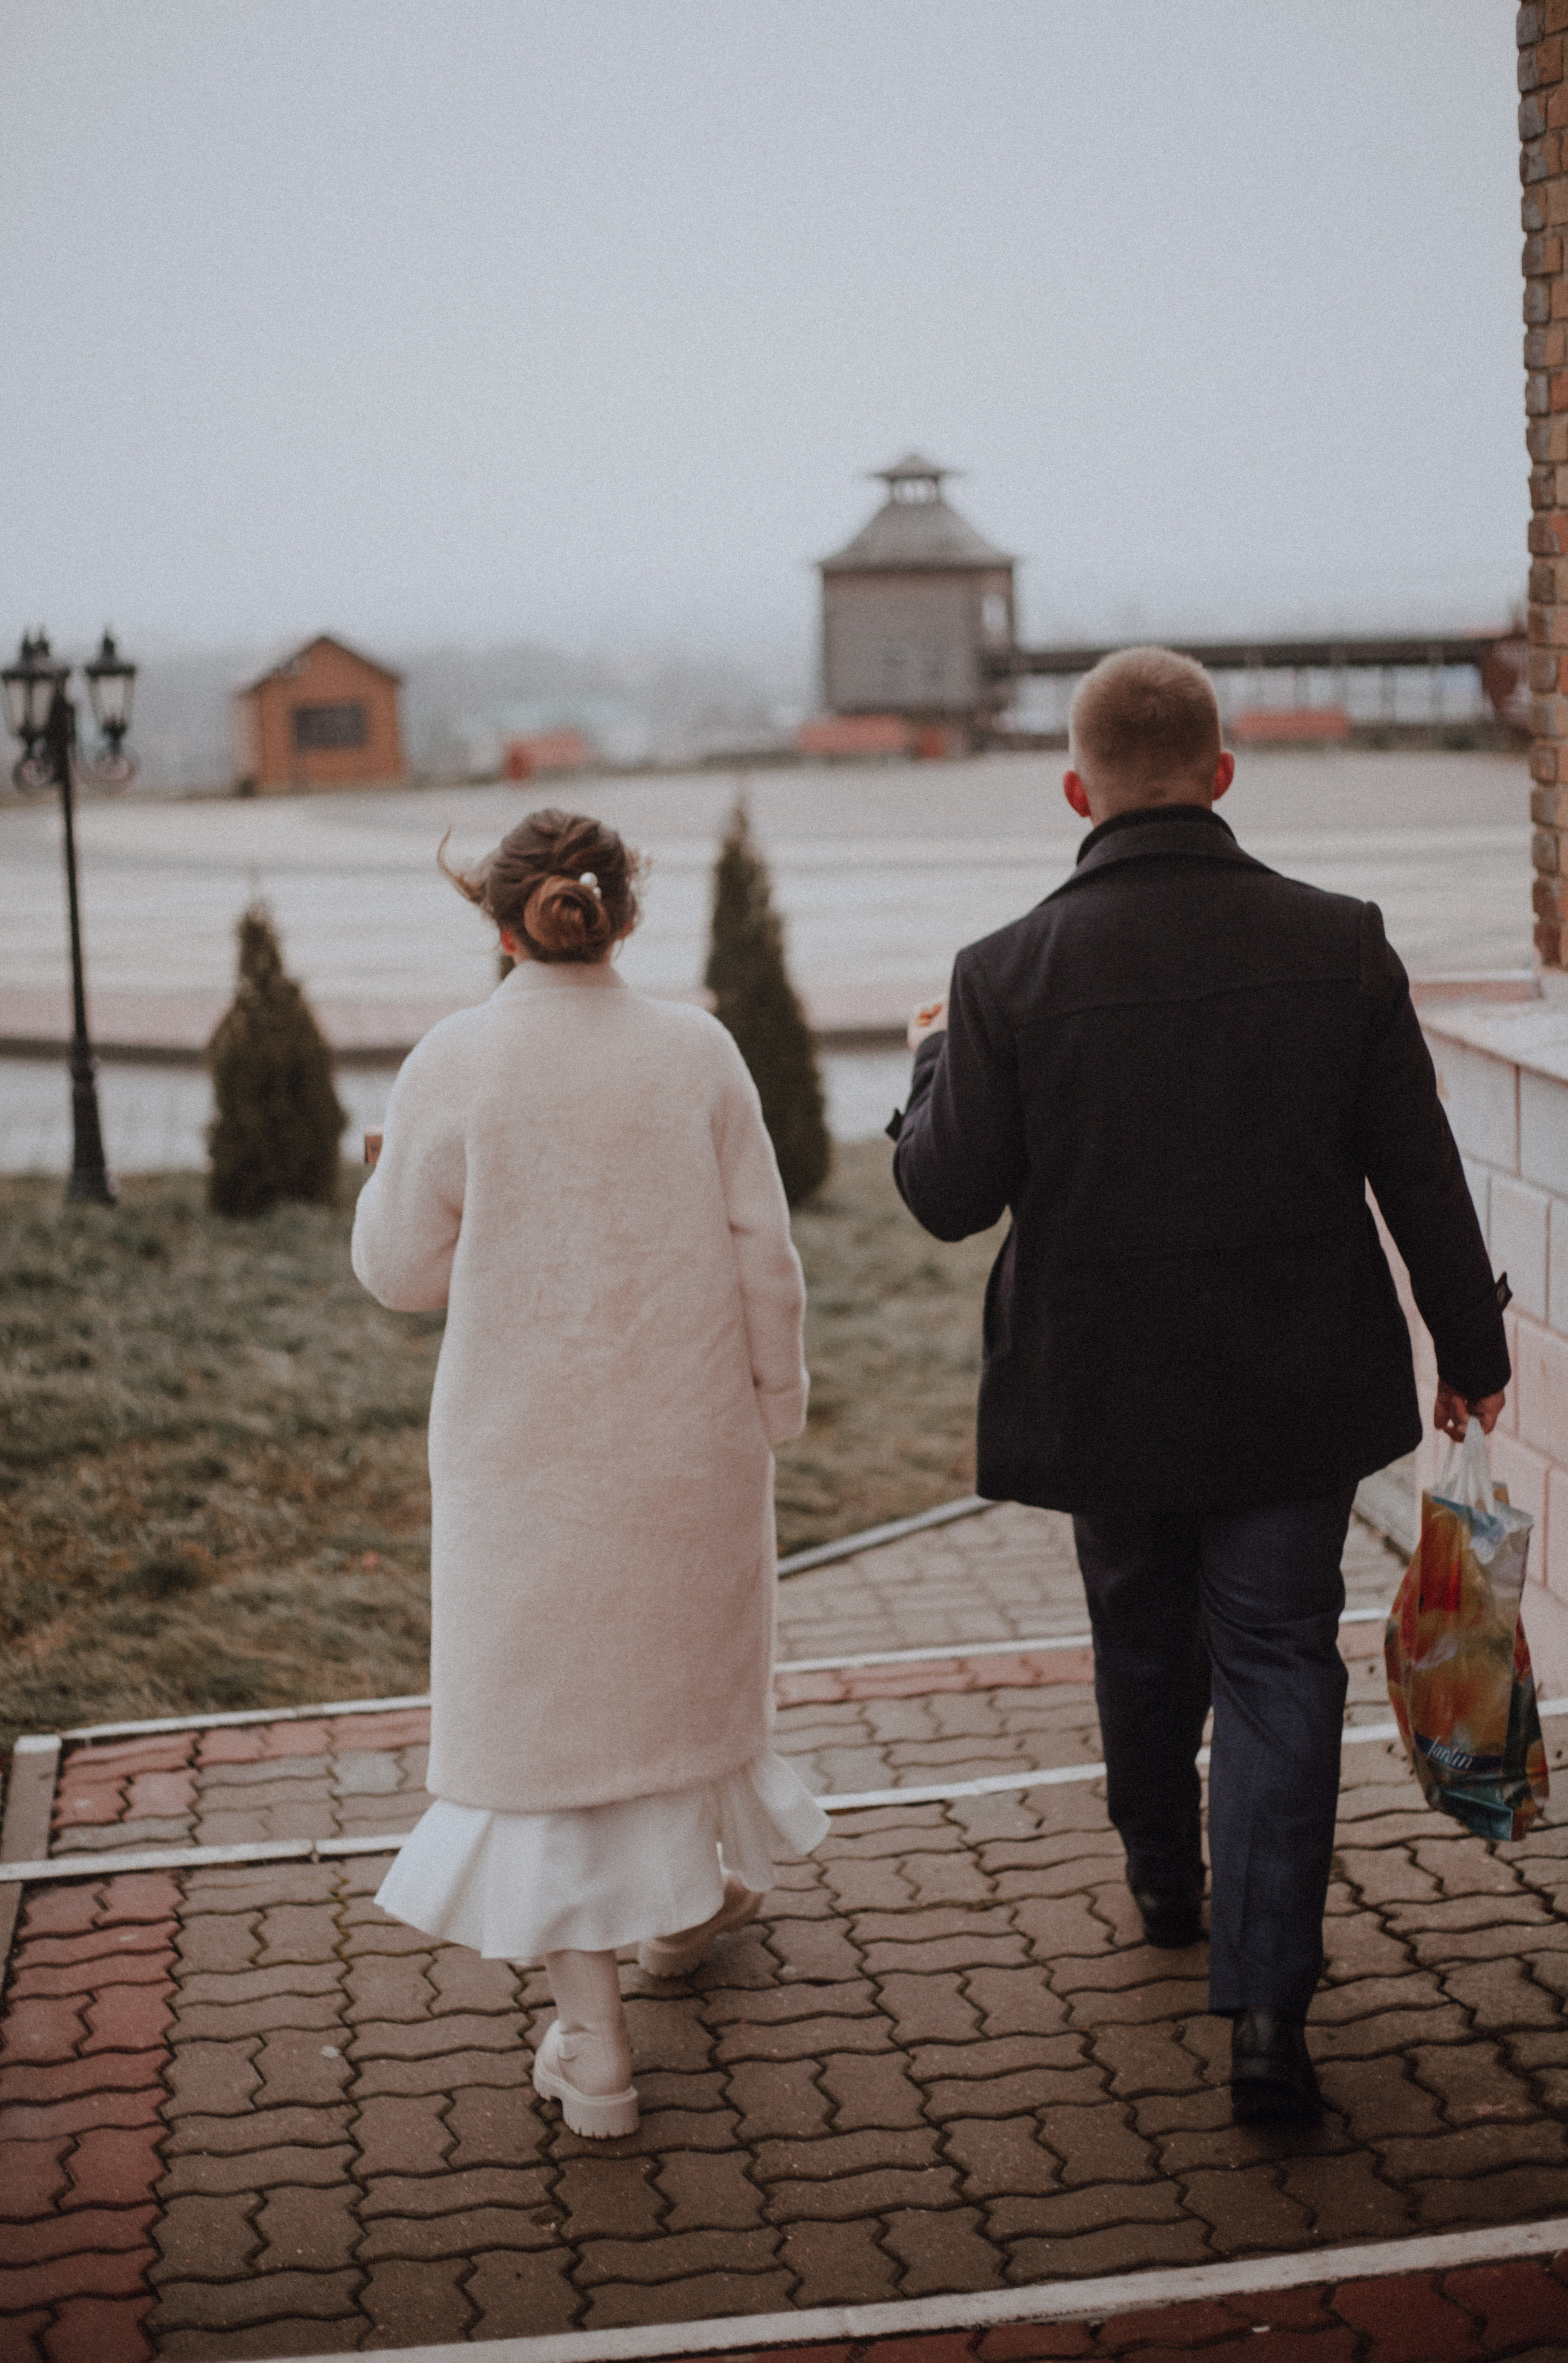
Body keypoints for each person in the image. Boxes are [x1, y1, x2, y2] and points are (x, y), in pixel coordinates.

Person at [890, 648, 1510, 2124]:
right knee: (1281, 1663)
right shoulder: (1340, 941)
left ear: (1072, 790)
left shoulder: (1000, 974)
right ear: (1221, 774)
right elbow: (1414, 1171)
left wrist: (925, 1069)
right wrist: (1470, 1356)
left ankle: (1162, 1879)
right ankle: (1267, 2022)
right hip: (1296, 1389)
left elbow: (941, 1197)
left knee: (1138, 1634)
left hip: (1100, 1397)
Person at [353, 807, 827, 2140]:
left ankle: (597, 2051)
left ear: (497, 921)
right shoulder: (698, 1051)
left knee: (554, 1743)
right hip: (686, 1442)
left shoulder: (456, 1060)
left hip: (524, 1462)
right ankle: (703, 1903)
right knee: (680, 1691)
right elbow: (765, 1256)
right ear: (620, 915)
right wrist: (773, 1407)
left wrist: (379, 1180)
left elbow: (399, 1274)